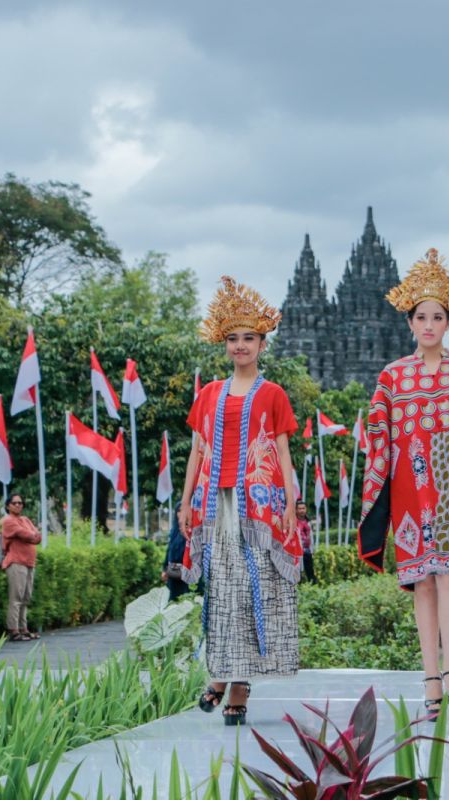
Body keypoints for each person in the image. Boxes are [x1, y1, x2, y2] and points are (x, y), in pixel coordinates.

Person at [359, 248, 449, 717]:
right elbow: (377, 439)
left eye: (437, 317)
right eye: (420, 316)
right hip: (409, 491)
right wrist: (377, 490)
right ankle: (429, 676)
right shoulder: (391, 378)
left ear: (448, 323)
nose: (428, 325)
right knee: (422, 582)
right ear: (409, 323)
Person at [179, 276, 300, 726]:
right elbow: (197, 449)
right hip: (215, 504)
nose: (241, 346)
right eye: (233, 338)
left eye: (249, 338)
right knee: (222, 592)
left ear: (263, 343)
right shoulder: (209, 393)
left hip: (259, 505)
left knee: (254, 591)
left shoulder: (272, 394)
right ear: (223, 344)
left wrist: (289, 503)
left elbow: (283, 452)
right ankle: (221, 676)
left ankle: (238, 684)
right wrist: (186, 500)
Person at [0, 492, 41, 640]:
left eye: (20, 503)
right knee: (16, 598)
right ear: (8, 506)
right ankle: (14, 630)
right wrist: (33, 534)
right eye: (14, 503)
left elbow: (38, 536)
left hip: (29, 562)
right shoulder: (8, 521)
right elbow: (28, 535)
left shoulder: (25, 519)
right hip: (16, 562)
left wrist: (34, 534)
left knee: (26, 598)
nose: (18, 505)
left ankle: (24, 628)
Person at [161, 501, 196, 601]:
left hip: (187, 573)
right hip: (173, 573)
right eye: (178, 511)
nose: (181, 514)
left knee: (186, 601)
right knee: (172, 602)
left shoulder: (192, 530)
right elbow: (169, 551)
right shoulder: (174, 530)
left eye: (183, 510)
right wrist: (164, 569)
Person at [295, 500, 316, 583]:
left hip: (307, 551)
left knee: (310, 572)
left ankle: (312, 588)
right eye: (299, 509)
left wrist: (312, 550)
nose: (301, 510)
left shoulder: (308, 521)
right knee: (298, 572)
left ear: (306, 509)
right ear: (296, 510)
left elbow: (311, 537)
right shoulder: (294, 521)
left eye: (303, 508)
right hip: (297, 552)